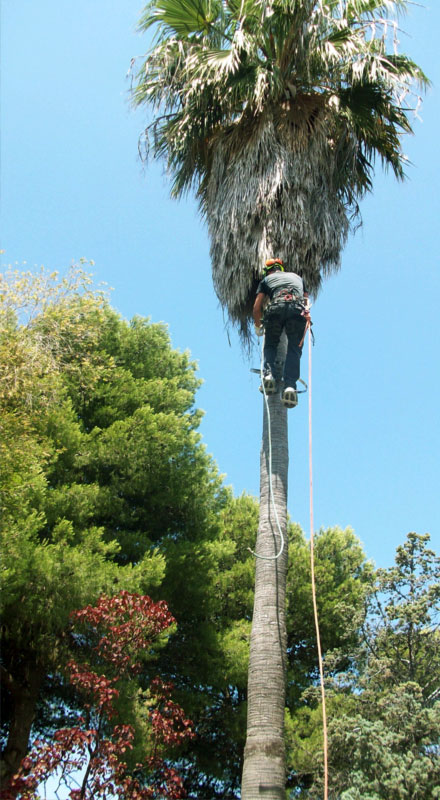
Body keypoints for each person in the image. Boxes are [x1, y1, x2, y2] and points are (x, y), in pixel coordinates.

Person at [253, 258, 310, 408]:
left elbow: (256, 307)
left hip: (276, 308)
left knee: (271, 344)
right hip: (297, 310)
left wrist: (258, 326)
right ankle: (290, 385)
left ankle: (269, 375)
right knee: (294, 349)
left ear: (268, 271)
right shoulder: (298, 278)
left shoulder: (267, 280)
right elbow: (306, 302)